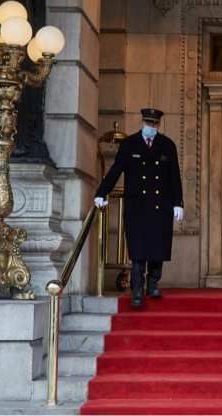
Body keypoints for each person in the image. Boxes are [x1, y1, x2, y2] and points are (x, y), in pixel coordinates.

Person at [93, 108, 183, 307]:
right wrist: (101, 192)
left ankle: (153, 283)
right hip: (137, 206)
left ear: (158, 125)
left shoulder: (167, 145)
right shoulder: (129, 144)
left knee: (157, 247)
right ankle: (137, 291)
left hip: (161, 206)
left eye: (153, 125)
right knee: (138, 249)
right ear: (143, 123)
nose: (150, 127)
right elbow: (116, 170)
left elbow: (174, 176)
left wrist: (178, 203)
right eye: (147, 124)